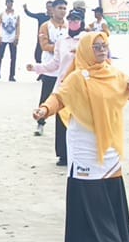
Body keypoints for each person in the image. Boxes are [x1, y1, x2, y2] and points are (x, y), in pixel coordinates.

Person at [33, 32, 129, 242]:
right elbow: (59, 98)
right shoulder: (77, 77)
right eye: (97, 47)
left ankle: (117, 241)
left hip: (108, 139)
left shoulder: (114, 73)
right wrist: (44, 110)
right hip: (84, 141)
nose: (101, 51)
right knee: (87, 188)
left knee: (110, 185)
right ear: (87, 50)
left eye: (104, 46)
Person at [28, 9, 87, 166]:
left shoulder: (87, 40)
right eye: (71, 19)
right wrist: (36, 68)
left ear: (81, 21)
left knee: (79, 121)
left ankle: (79, 153)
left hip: (82, 86)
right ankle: (63, 154)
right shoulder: (62, 41)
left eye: (77, 19)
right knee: (62, 121)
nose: (74, 22)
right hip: (63, 85)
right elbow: (54, 64)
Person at [35, 0, 69, 136]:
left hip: (65, 70)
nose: (62, 11)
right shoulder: (45, 26)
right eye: (60, 8)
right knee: (45, 98)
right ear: (53, 10)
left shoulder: (68, 25)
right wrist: (61, 48)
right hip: (50, 69)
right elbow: (44, 46)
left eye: (64, 8)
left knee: (63, 101)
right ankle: (40, 123)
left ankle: (62, 129)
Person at [0, 0, 20, 81]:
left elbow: (18, 26)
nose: (9, 4)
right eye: (8, 3)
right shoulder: (2, 14)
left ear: (12, 4)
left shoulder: (16, 15)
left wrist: (17, 37)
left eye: (11, 3)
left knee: (13, 57)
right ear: (6, 4)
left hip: (12, 38)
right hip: (3, 38)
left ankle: (12, 75)